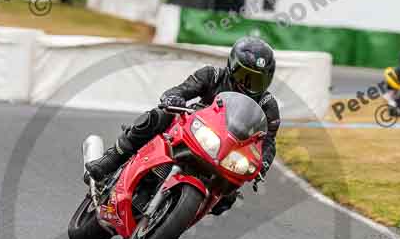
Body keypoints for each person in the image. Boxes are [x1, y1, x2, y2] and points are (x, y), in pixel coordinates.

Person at [85, 37, 281, 214]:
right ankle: (110, 160)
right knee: (158, 116)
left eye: (257, 80)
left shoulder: (267, 105)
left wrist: (262, 164)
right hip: (192, 129)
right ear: (232, 66)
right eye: (244, 76)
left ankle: (178, 216)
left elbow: (268, 141)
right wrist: (174, 98)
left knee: (227, 198)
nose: (249, 84)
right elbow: (180, 91)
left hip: (225, 151)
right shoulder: (212, 75)